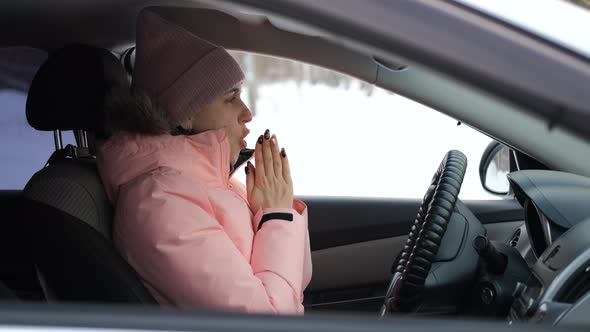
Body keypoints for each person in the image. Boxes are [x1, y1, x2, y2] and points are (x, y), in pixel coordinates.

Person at [96, 10, 312, 315]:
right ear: (186, 112)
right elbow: (267, 321)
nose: (247, 112)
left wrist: (269, 213)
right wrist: (276, 217)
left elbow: (295, 284)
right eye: (230, 97)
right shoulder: (160, 202)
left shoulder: (208, 182)